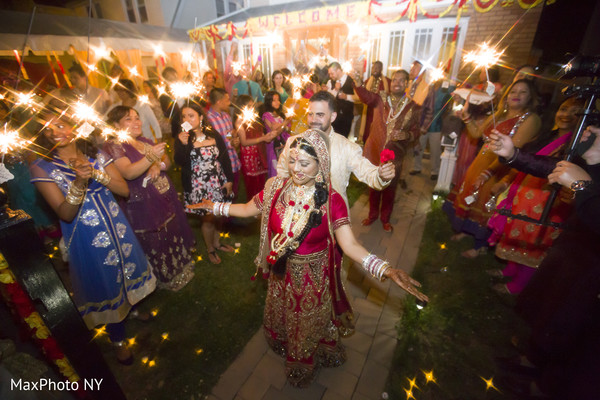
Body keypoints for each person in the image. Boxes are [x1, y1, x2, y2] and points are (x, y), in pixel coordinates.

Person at [187, 129, 428, 387]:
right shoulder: (276, 188)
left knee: (308, 321)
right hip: (282, 273)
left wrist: (386, 270)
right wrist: (213, 206)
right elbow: (247, 209)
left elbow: (349, 245)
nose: (296, 169)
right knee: (285, 316)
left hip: (314, 276)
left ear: (320, 163)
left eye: (304, 163)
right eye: (292, 161)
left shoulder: (332, 201)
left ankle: (306, 360)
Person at [30, 107, 156, 364]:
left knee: (128, 268)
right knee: (104, 281)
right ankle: (118, 338)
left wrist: (95, 173)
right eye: (50, 127)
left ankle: (131, 308)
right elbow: (65, 213)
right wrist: (78, 183)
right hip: (87, 235)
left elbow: (124, 189)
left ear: (75, 125)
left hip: (117, 224)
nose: (57, 132)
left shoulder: (95, 153)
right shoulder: (41, 167)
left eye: (63, 124)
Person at [489, 125, 600, 398]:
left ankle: (542, 389)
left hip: (593, 269)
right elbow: (558, 168)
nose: (593, 129)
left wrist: (582, 185)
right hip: (576, 247)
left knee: (574, 329)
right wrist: (513, 154)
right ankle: (532, 361)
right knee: (553, 309)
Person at [485, 96, 583, 294]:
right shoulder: (547, 136)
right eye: (564, 109)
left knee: (536, 241)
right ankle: (509, 269)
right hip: (526, 194)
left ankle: (517, 286)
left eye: (575, 113)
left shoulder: (577, 148)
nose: (566, 116)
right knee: (518, 233)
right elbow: (529, 162)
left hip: (548, 202)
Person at [443, 79, 541, 258]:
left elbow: (510, 153)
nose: (516, 95)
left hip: (500, 170)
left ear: (531, 97)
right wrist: (466, 114)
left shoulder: (531, 120)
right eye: (513, 91)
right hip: (479, 163)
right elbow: (476, 133)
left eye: (523, 92)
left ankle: (480, 245)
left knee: (487, 205)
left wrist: (489, 173)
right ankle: (467, 231)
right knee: (472, 198)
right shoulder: (499, 114)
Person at [104, 106, 195, 290]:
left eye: (137, 118)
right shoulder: (115, 147)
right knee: (157, 235)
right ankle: (163, 276)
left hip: (164, 195)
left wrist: (156, 165)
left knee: (171, 228)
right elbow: (128, 173)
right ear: (116, 125)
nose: (137, 122)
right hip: (143, 203)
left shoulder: (144, 140)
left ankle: (180, 267)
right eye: (129, 119)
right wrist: (151, 159)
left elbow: (166, 162)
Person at [276, 91, 395, 209]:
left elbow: (368, 172)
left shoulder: (346, 147)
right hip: (298, 215)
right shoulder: (293, 142)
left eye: (320, 115)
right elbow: (282, 175)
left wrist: (381, 176)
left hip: (333, 218)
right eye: (310, 114)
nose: (313, 120)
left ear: (333, 116)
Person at [354, 70, 421, 232]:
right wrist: (358, 81)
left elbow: (416, 131)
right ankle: (372, 216)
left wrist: (406, 134)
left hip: (395, 155)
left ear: (406, 84)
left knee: (390, 188)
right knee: (374, 185)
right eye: (394, 80)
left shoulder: (413, 107)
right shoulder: (380, 99)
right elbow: (365, 96)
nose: (396, 83)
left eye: (401, 81)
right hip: (375, 150)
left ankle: (385, 218)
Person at [174, 102, 234, 264]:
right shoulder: (183, 137)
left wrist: (229, 180)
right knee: (208, 219)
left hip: (217, 182)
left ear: (201, 117)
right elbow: (179, 162)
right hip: (198, 186)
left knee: (219, 214)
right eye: (184, 117)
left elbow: (224, 158)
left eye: (191, 115)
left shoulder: (213, 134)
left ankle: (218, 242)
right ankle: (210, 249)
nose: (187, 119)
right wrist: (184, 144)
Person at [411, 79, 455, 180]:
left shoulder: (445, 89)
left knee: (435, 150)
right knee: (418, 147)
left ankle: (435, 171)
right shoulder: (428, 87)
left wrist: (450, 84)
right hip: (422, 124)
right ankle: (417, 167)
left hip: (436, 125)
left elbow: (452, 93)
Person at [234, 95, 273, 199]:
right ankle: (253, 206)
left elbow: (258, 133)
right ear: (242, 107)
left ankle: (261, 203)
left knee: (261, 180)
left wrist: (265, 137)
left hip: (259, 152)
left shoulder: (253, 118)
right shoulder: (239, 121)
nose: (252, 108)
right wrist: (263, 139)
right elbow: (244, 142)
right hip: (249, 156)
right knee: (252, 182)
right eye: (249, 106)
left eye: (252, 106)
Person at [207, 88, 242, 195]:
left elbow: (227, 134)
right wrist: (229, 143)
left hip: (233, 160)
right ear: (219, 102)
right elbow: (211, 143)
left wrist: (233, 137)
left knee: (234, 191)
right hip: (221, 164)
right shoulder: (208, 119)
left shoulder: (226, 116)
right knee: (224, 193)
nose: (229, 102)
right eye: (227, 100)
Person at [358, 61, 391, 144]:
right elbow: (362, 95)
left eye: (377, 67)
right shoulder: (367, 81)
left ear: (381, 69)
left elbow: (391, 98)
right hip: (368, 112)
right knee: (367, 133)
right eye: (373, 68)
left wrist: (381, 95)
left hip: (381, 113)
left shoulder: (388, 82)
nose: (374, 69)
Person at [261, 90, 292, 177]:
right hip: (273, 145)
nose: (277, 102)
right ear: (269, 101)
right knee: (276, 168)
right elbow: (274, 132)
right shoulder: (267, 115)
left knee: (285, 166)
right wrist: (284, 124)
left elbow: (288, 129)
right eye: (274, 100)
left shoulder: (281, 114)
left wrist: (281, 126)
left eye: (278, 100)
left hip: (284, 143)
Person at [326, 62, 356, 138]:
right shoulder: (330, 82)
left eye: (332, 73)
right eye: (329, 74)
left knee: (343, 142)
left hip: (346, 119)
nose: (330, 76)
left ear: (338, 71)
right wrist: (336, 90)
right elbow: (328, 99)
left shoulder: (352, 81)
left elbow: (359, 99)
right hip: (333, 118)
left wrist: (346, 97)